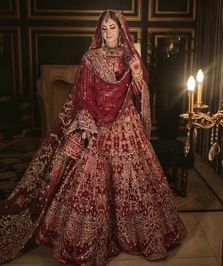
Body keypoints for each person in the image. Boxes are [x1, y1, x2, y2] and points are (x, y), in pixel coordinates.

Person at [0, 10, 186, 266]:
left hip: (125, 123)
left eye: (113, 27)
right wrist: (89, 126)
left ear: (121, 29)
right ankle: (88, 239)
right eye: (105, 28)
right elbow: (84, 96)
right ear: (100, 31)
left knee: (135, 179)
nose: (109, 33)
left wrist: (138, 75)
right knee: (89, 179)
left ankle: (138, 234)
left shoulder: (131, 57)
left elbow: (139, 93)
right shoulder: (90, 58)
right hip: (98, 126)